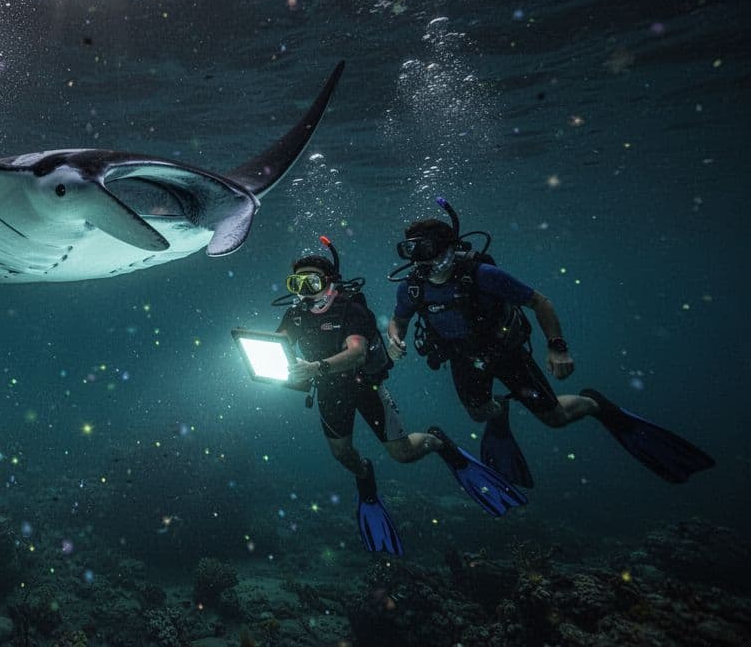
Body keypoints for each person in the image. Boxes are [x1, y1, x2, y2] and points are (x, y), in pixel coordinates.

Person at [385, 198, 714, 488]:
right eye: (411, 252)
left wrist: (557, 347)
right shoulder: (412, 288)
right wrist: (395, 337)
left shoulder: (483, 275)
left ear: (448, 247)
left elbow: (539, 302)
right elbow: (399, 319)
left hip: (507, 354)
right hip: (463, 359)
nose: (419, 261)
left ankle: (594, 403)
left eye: (425, 250)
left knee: (555, 419)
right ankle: (501, 411)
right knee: (479, 414)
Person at [277, 236, 525, 556]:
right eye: (296, 284)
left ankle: (438, 441)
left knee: (403, 454)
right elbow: (279, 343)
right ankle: (365, 476)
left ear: (329, 282)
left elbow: (357, 352)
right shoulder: (295, 314)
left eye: (311, 282)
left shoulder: (351, 309)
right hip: (328, 391)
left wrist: (315, 367)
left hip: (365, 386)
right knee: (342, 454)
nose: (303, 291)